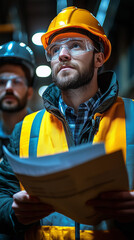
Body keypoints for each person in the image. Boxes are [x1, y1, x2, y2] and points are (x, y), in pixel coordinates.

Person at [0, 6, 134, 240]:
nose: (62, 54)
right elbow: (2, 193)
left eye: (75, 45)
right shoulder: (26, 129)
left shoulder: (133, 115)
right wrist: (14, 213)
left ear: (99, 57)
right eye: (54, 49)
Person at [0, 40, 35, 240]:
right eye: (2, 81)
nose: (9, 87)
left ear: (30, 91)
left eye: (17, 81)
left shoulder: (42, 135)